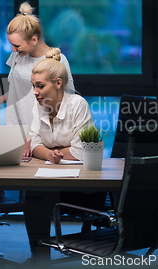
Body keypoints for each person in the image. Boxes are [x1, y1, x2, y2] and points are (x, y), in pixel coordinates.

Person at [24, 48, 106, 262]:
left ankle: (41, 257)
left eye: (40, 86)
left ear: (58, 83)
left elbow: (81, 149)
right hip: (50, 176)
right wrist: (51, 155)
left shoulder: (77, 104)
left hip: (82, 185)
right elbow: (34, 142)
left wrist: (50, 153)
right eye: (33, 86)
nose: (35, 91)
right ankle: (39, 256)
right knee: (34, 196)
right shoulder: (39, 105)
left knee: (38, 199)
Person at [0, 2, 75, 157]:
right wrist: (1, 99)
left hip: (41, 134)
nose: (13, 50)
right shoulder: (18, 55)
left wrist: (33, 134)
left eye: (17, 45)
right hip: (14, 128)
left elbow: (66, 101)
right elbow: (18, 87)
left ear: (34, 40)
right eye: (11, 44)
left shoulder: (58, 60)